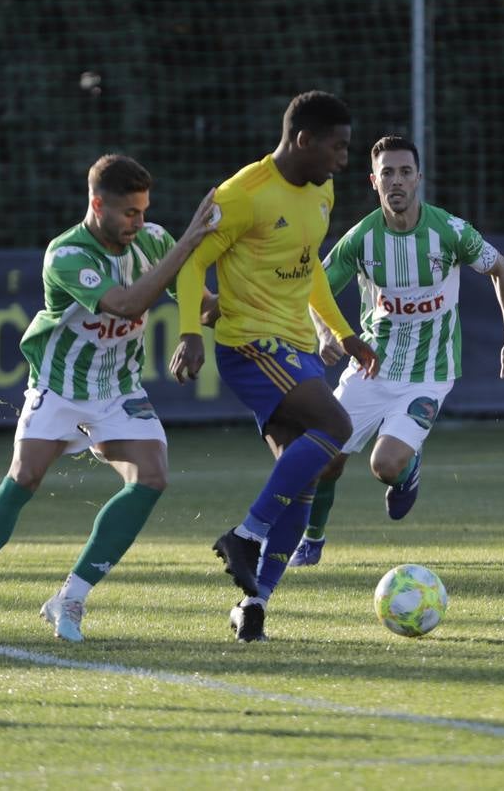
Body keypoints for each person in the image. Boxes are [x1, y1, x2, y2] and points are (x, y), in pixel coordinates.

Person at [0, 154, 218, 644]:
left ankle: (71, 595)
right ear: (97, 204)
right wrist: (190, 241)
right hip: (58, 387)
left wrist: (252, 294)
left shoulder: (154, 240)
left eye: (144, 212)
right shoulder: (66, 255)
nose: (139, 223)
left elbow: (204, 307)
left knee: (153, 476)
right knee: (24, 477)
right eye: (129, 213)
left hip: (119, 390)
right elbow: (127, 304)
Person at [169, 91, 378, 642]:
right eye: (337, 147)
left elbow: (306, 267)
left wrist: (344, 332)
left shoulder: (321, 190)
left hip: (297, 346)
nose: (343, 160)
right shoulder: (243, 195)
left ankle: (254, 604)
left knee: (316, 467)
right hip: (250, 346)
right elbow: (192, 266)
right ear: (303, 140)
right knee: (336, 429)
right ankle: (246, 533)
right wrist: (190, 331)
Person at [289, 135, 504, 567]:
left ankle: (406, 467)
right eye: (388, 173)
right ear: (373, 181)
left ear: (419, 178)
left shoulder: (449, 231)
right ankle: (311, 541)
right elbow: (316, 288)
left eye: (405, 172)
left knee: (384, 464)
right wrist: (326, 332)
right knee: (324, 457)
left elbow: (503, 270)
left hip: (429, 373)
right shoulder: (362, 240)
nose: (397, 181)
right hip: (370, 370)